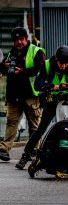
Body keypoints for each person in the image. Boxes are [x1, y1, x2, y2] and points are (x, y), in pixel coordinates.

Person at [15, 45, 68, 169]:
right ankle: (25, 155)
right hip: (52, 101)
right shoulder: (47, 65)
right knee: (41, 129)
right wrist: (52, 87)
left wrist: (67, 88)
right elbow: (37, 85)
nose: (63, 66)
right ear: (56, 59)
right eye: (61, 63)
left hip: (67, 103)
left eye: (65, 63)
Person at [0, 27, 46, 161]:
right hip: (14, 96)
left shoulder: (36, 51)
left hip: (30, 95)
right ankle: (4, 149)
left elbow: (42, 70)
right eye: (16, 40)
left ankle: (34, 150)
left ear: (26, 39)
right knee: (11, 122)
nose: (19, 42)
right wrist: (5, 67)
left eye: (21, 39)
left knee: (34, 125)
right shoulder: (11, 53)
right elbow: (3, 68)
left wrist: (24, 71)